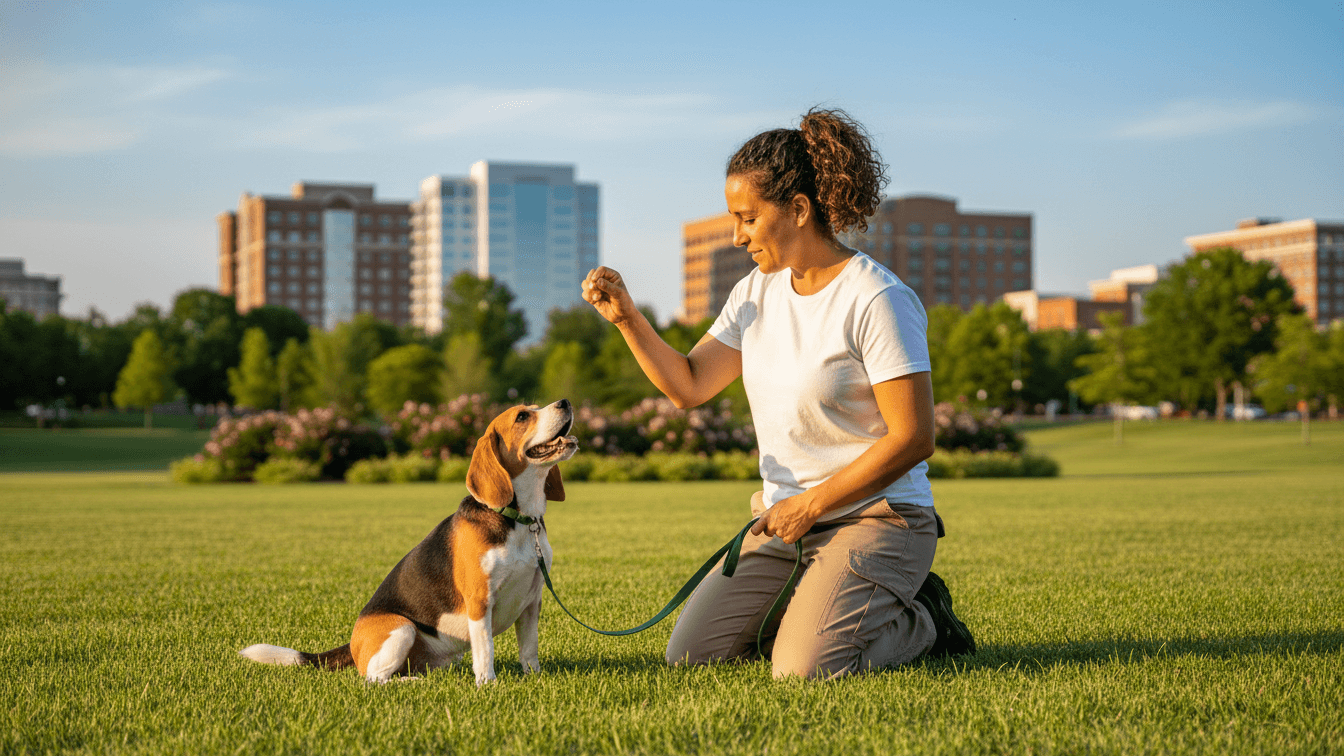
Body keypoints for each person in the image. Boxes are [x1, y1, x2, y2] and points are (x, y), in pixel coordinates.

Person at [581, 108, 975, 680]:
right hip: (785, 525)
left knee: (802, 671)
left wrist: (812, 504)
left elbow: (914, 438)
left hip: (880, 520)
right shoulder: (754, 292)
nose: (737, 235)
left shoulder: (876, 299)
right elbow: (690, 386)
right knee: (691, 655)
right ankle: (817, 609)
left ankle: (924, 622)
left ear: (797, 210)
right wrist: (627, 320)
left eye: (746, 218)